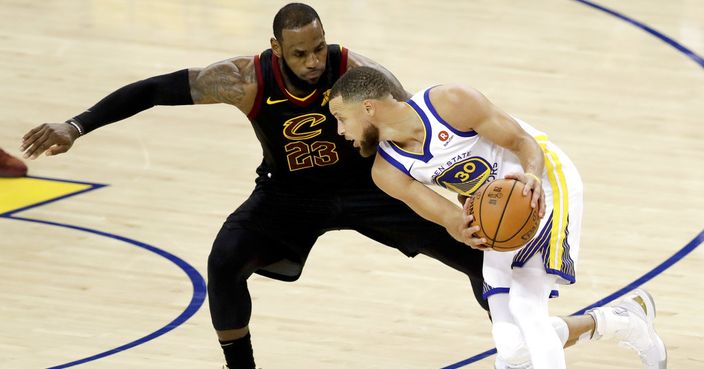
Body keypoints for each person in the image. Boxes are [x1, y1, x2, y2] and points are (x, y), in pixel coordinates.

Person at [19, 3, 490, 368]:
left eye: (318, 48)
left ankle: (516, 342)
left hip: (372, 186)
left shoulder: (359, 73)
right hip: (289, 198)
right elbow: (154, 90)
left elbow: (417, 133)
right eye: (299, 52)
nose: (312, 62)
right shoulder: (244, 79)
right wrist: (76, 126)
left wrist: (463, 194)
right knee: (224, 263)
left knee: (478, 252)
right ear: (276, 46)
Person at [328, 66, 667, 369]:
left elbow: (522, 141)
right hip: (502, 211)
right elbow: (452, 221)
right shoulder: (388, 171)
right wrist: (468, 230)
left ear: (368, 108)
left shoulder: (449, 102)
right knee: (512, 346)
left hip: (545, 183)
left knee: (526, 307)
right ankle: (623, 321)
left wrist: (532, 176)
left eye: (342, 118)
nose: (341, 131)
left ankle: (622, 321)